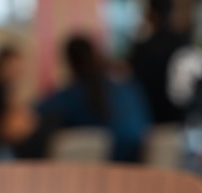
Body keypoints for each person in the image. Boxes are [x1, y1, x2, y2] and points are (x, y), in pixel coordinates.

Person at [37, 34, 151, 162]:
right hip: (141, 162)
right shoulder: (128, 85)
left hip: (109, 166)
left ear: (69, 62)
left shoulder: (74, 94)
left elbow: (34, 111)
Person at [128, 0, 188, 124]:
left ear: (151, 15)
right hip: (180, 118)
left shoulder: (142, 49)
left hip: (149, 117)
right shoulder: (183, 44)